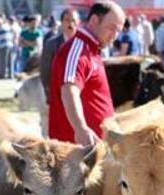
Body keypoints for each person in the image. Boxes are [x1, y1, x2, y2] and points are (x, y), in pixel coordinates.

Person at [48, 1, 124, 146]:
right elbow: (69, 89)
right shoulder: (78, 49)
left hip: (92, 148)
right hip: (76, 150)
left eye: (118, 30)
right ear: (94, 20)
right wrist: (81, 128)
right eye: (111, 28)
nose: (114, 36)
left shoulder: (91, 49)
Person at [40, 8, 78, 98]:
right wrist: (48, 92)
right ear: (61, 23)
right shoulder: (51, 44)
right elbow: (45, 70)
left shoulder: (85, 44)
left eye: (73, 20)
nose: (70, 23)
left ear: (78, 22)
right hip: (58, 91)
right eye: (67, 20)